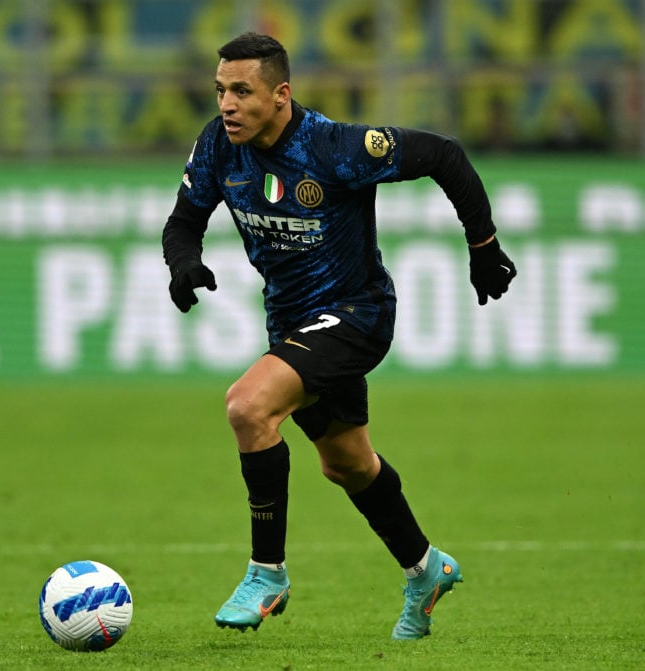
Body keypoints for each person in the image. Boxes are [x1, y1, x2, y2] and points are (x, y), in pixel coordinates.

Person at [161, 32, 516, 640]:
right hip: (293, 323)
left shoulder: (333, 147)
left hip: (356, 314)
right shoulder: (219, 145)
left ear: (281, 95)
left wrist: (482, 247)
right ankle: (426, 568)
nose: (227, 105)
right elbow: (184, 220)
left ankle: (266, 573)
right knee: (348, 465)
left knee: (248, 407)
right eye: (220, 90)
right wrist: (183, 263)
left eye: (242, 91)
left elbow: (446, 156)